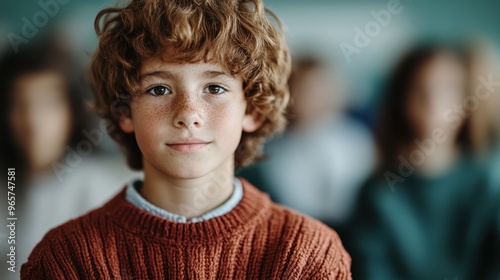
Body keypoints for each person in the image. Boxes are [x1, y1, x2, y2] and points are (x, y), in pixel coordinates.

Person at [21, 0, 352, 279]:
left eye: (214, 88)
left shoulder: (307, 255)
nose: (188, 114)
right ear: (125, 113)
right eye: (159, 89)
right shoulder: (66, 260)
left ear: (251, 109)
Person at [346, 44, 500, 280]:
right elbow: (371, 270)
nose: (432, 101)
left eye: (446, 89)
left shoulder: (489, 185)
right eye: (419, 89)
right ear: (401, 101)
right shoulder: (377, 191)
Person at [0, 35, 132, 280]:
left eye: (48, 104)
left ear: (71, 111)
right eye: (20, 104)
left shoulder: (101, 188)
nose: (33, 121)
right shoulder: (7, 182)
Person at [239, 56, 376, 234]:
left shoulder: (355, 139)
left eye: (319, 89)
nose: (312, 98)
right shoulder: (275, 152)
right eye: (303, 90)